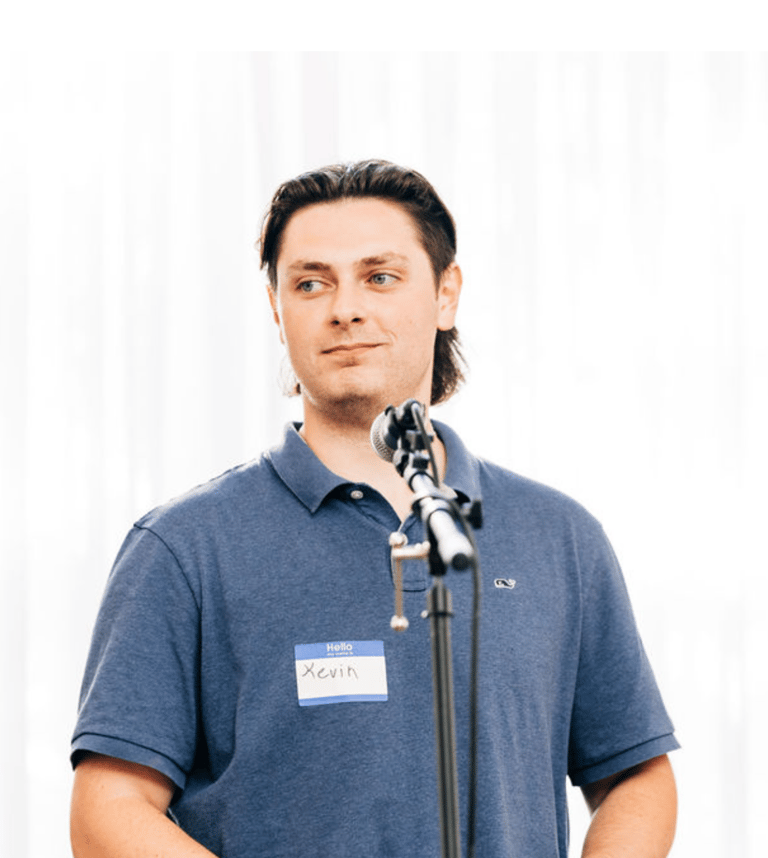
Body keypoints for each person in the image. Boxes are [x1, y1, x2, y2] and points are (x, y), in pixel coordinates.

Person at [70, 159, 679, 858]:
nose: (345, 308)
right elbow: (109, 806)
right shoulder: (183, 547)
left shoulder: (559, 536)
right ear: (276, 308)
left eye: (380, 277)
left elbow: (636, 773)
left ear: (446, 294)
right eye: (310, 283)